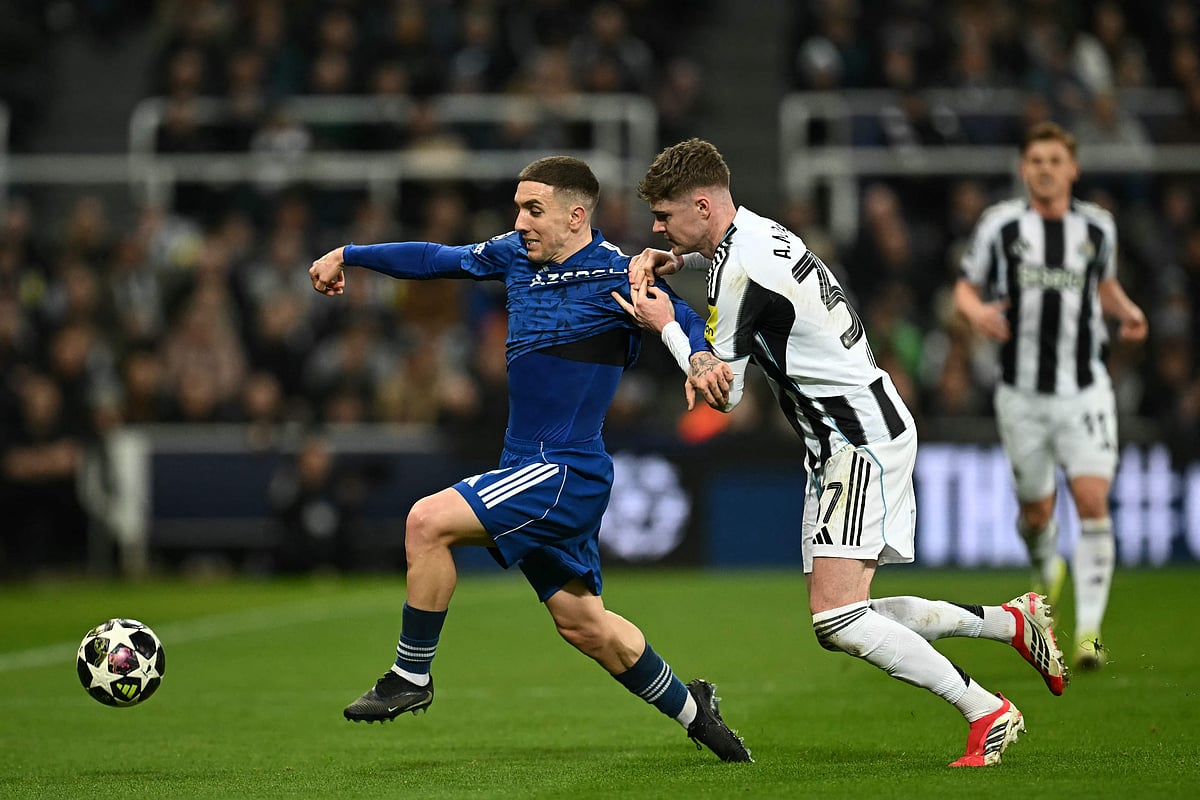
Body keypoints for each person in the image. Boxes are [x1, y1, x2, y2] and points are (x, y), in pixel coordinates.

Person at [619, 137, 1068, 768]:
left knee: (838, 617)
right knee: (843, 617)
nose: (656, 229)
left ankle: (986, 711)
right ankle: (1011, 624)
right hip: (847, 436)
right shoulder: (758, 233)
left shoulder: (739, 269)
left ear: (702, 205)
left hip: (857, 440)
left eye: (665, 216)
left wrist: (665, 324)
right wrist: (682, 259)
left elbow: (725, 395)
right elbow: (744, 279)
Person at [308, 156, 751, 762]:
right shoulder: (515, 257)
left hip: (565, 471)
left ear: (576, 215)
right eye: (518, 208)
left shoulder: (619, 273)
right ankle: (697, 712)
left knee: (425, 521)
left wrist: (699, 358)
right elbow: (436, 258)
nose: (519, 221)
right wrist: (350, 254)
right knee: (585, 626)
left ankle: (411, 675)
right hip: (528, 465)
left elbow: (686, 319)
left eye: (533, 209)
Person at [953, 122, 1148, 671]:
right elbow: (965, 286)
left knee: (1092, 502)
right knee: (1037, 512)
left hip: (1084, 391)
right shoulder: (1001, 225)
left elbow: (1103, 286)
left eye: (1055, 160)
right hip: (1021, 394)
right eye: (1036, 160)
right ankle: (1046, 569)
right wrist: (977, 312)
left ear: (1073, 169)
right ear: (1024, 169)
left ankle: (1089, 635)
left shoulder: (1097, 227)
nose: (1045, 169)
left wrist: (1127, 312)